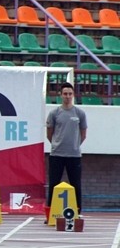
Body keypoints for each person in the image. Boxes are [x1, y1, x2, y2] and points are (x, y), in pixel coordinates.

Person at [46, 82, 87, 213]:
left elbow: (83, 134)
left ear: (73, 95)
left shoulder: (80, 113)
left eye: (70, 94)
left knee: (76, 185)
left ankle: (78, 212)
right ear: (61, 95)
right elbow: (50, 134)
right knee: (53, 184)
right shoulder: (54, 113)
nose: (67, 96)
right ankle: (50, 212)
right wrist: (58, 144)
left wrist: (74, 145)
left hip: (74, 155)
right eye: (65, 94)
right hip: (56, 155)